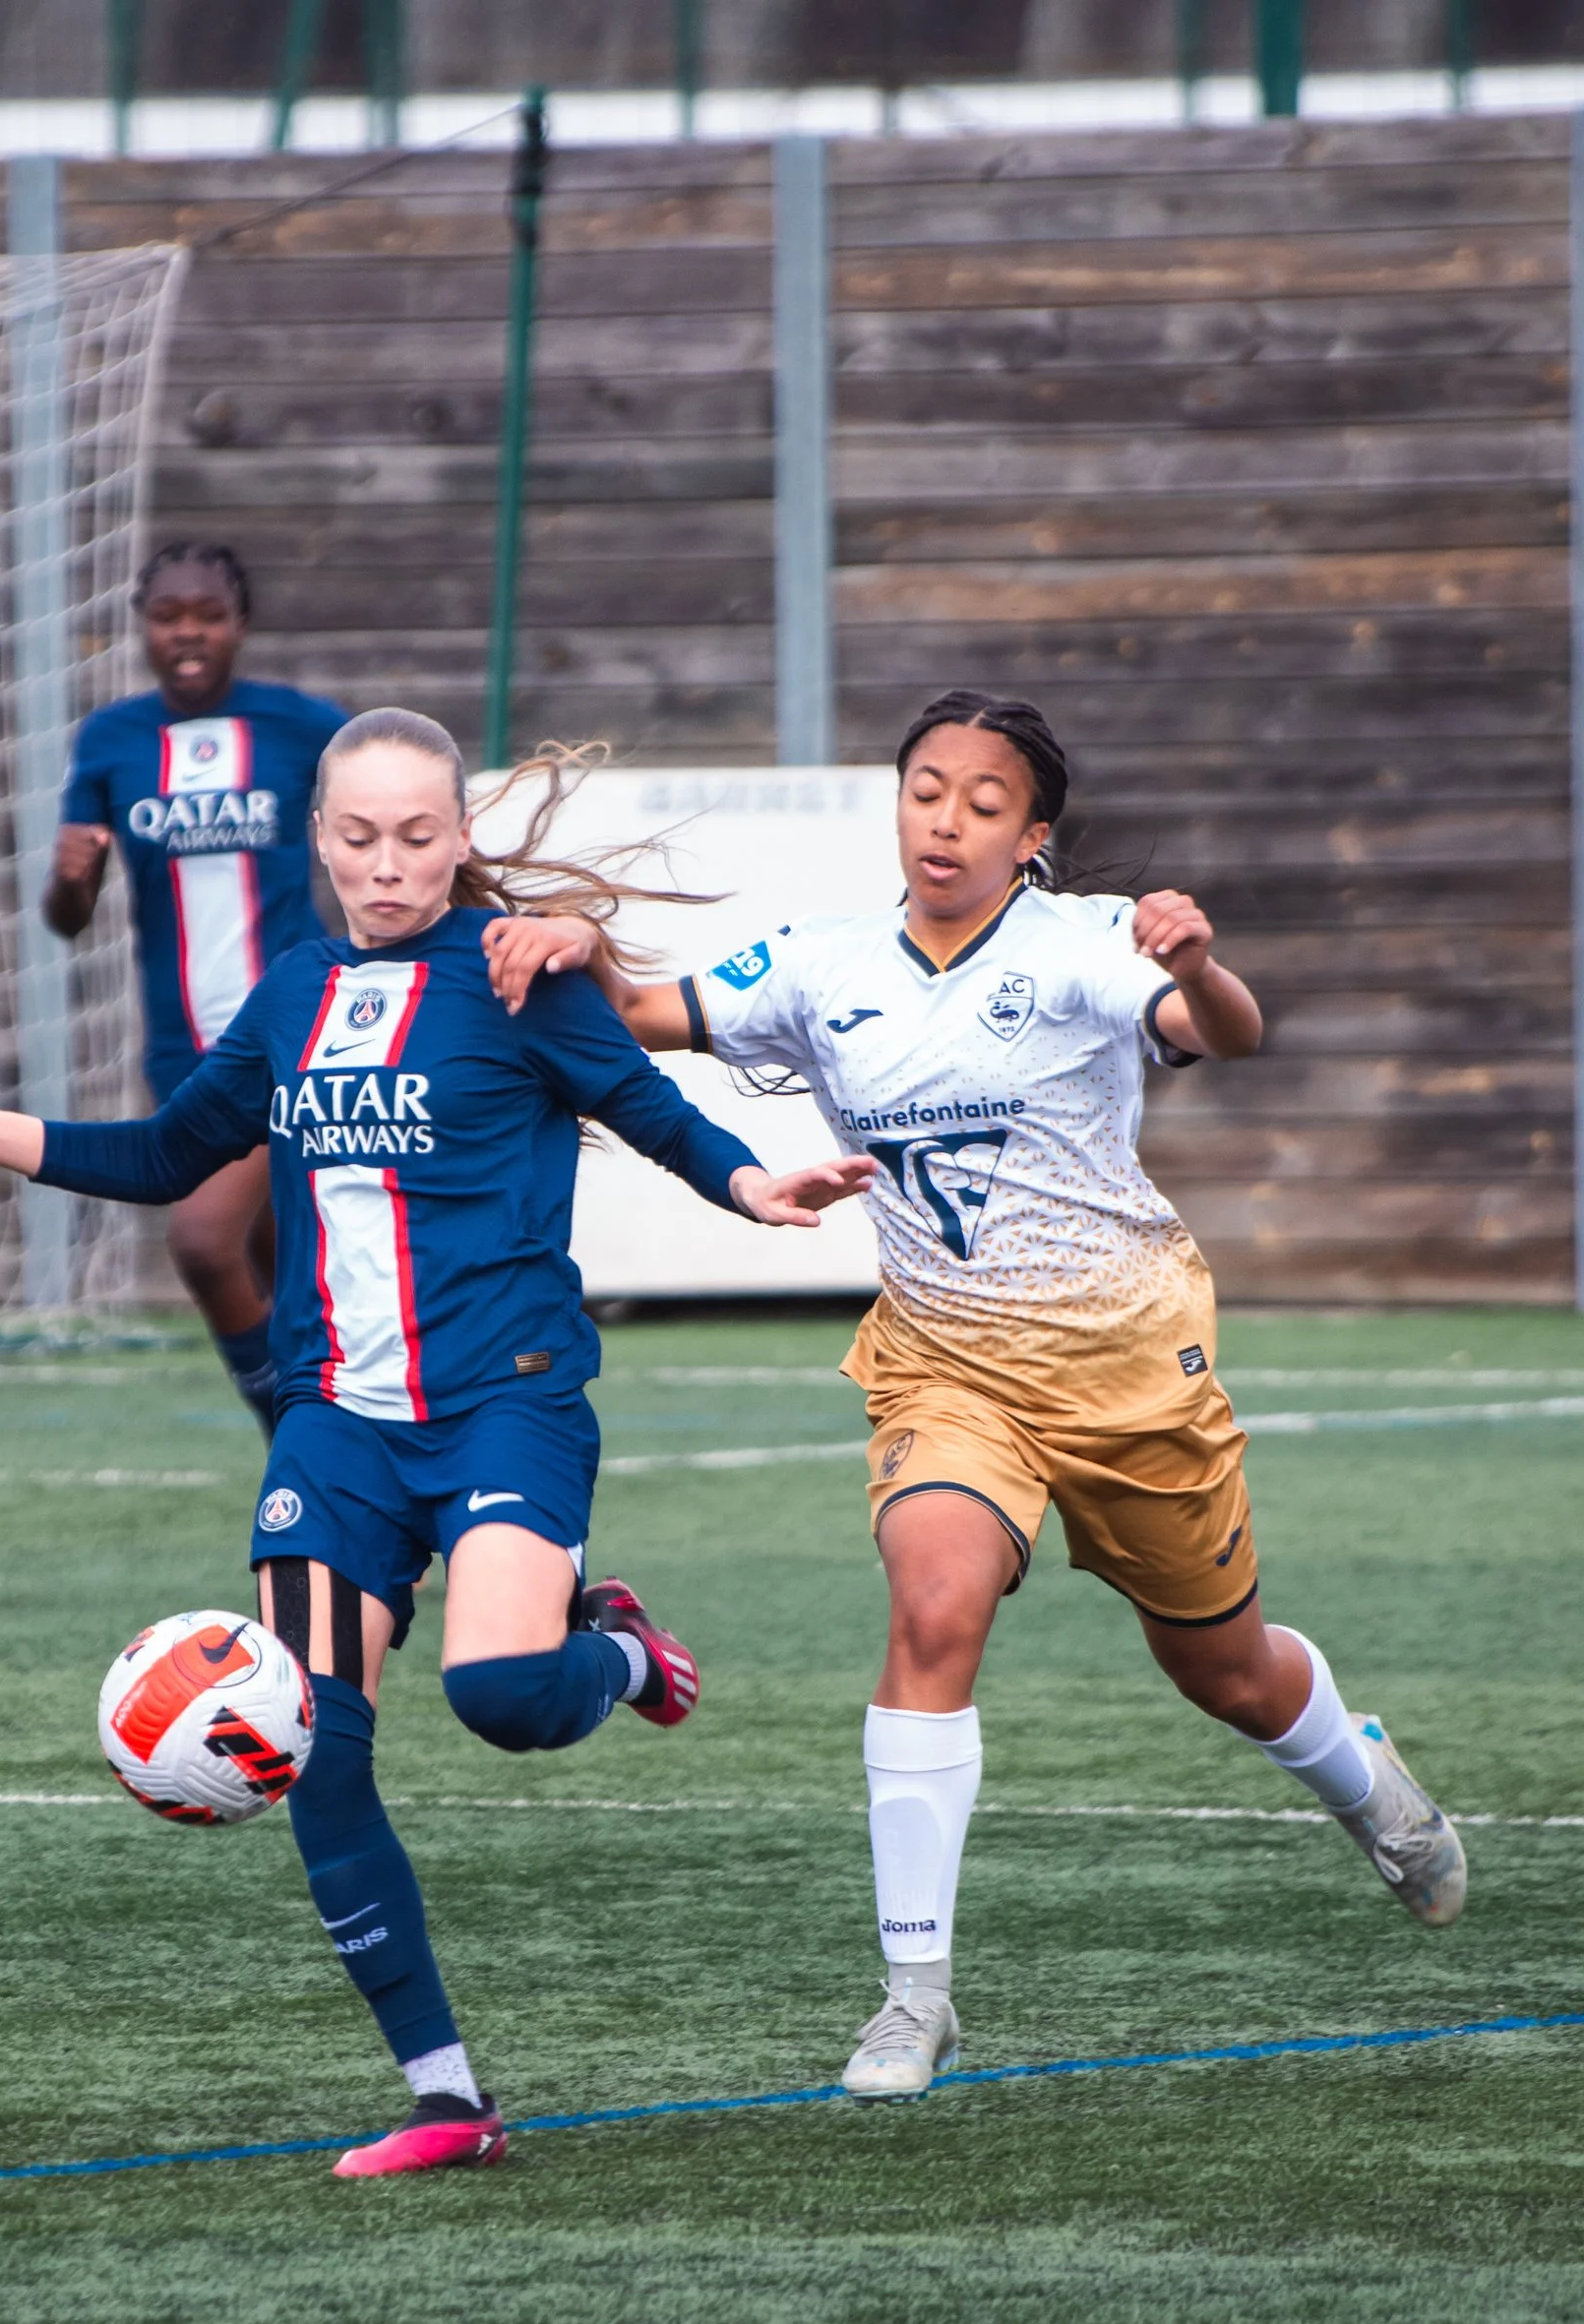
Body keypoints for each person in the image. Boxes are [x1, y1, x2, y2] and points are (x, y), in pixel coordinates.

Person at [0, 708, 874, 2172]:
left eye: (419, 836)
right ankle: (447, 2096)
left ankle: (617, 1649)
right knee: (318, 1747)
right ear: (317, 839)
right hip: (337, 1430)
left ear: (460, 837)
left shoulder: (516, 976)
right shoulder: (293, 991)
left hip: (508, 1400)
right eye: (358, 837)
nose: (387, 865)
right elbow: (173, 1153)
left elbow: (646, 1103)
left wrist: (754, 1191)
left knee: (498, 1690)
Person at [486, 687, 1468, 2105]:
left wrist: (1202, 965)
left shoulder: (1087, 944)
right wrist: (578, 947)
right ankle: (913, 2000)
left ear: (1034, 836)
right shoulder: (821, 965)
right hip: (947, 1369)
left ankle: (1365, 1785)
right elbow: (639, 1016)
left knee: (1225, 1669)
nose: (947, 820)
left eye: (985, 803)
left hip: (1129, 1368)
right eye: (926, 789)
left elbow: (1226, 1032)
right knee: (932, 1607)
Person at [42, 541, 347, 1431]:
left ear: (239, 627)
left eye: (207, 615)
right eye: (169, 614)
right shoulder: (110, 741)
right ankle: (355, 1472)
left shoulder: (304, 727)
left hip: (293, 1035)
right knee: (298, 1283)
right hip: (183, 1053)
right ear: (143, 625)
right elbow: (67, 917)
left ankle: (298, 1447)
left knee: (203, 1244)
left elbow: (389, 819)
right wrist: (70, 876)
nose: (188, 632)